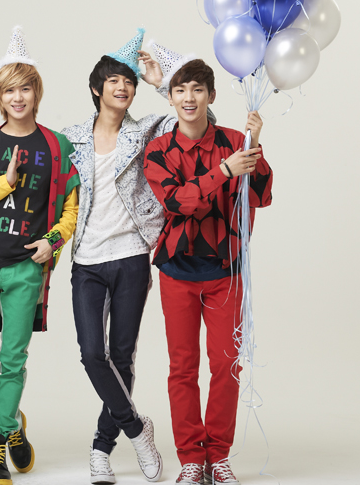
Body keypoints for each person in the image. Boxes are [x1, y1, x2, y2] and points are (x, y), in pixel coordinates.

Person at [0, 32, 216, 484]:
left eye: (129, 81)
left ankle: (102, 447)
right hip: (86, 258)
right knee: (91, 354)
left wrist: (163, 84)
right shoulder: (69, 139)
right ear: (96, 88)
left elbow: (200, 118)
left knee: (121, 356)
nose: (122, 87)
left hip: (132, 255)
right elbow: (32, 153)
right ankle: (137, 428)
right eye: (113, 81)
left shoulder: (148, 130)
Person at [0, 26, 80, 485]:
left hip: (26, 266)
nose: (18, 97)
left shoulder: (56, 145)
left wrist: (53, 242)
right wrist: (3, 184)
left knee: (15, 359)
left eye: (25, 88)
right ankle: (12, 423)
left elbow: (71, 208)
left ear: (36, 93)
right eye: (9, 90)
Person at [143, 56, 273, 485]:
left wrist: (255, 149)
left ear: (211, 96)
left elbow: (261, 195)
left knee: (226, 365)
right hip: (177, 271)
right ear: (170, 98)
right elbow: (177, 202)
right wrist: (224, 171)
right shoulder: (158, 151)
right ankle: (190, 459)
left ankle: (217, 456)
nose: (189, 97)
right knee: (182, 368)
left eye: (197, 89)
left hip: (225, 273)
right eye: (180, 90)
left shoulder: (235, 140)